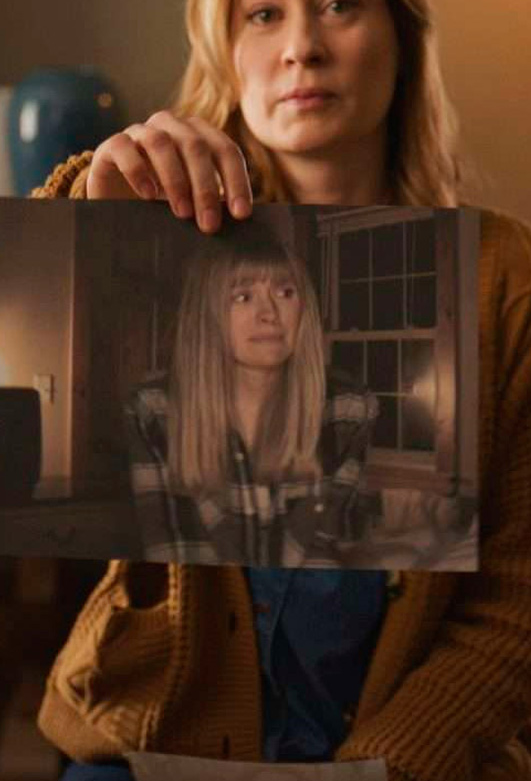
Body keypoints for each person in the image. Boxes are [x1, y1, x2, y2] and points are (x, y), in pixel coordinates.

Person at [0, 0, 531, 781]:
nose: (301, 45)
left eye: (340, 5)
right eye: (262, 14)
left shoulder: (507, 278)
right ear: (225, 52)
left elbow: (528, 604)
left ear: (402, 36)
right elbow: (43, 414)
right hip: (168, 744)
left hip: (435, 770)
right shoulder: (156, 241)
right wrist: (95, 200)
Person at [125, 229, 379, 568]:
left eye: (285, 292)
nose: (269, 313)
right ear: (207, 314)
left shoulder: (348, 410)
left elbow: (328, 556)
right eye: (243, 297)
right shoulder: (153, 411)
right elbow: (170, 554)